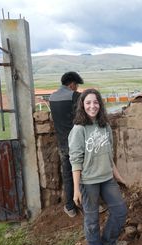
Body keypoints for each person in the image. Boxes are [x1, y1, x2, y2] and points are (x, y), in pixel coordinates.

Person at [69, 88, 128, 245]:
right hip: (88, 182)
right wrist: (76, 189)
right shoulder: (79, 129)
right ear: (82, 105)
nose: (92, 106)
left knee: (120, 210)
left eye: (95, 102)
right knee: (92, 219)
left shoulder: (105, 126)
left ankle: (108, 242)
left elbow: (109, 156)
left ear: (100, 105)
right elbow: (76, 160)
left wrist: (118, 177)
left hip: (107, 178)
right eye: (88, 103)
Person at [50, 71, 83, 218]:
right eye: (75, 85)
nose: (76, 88)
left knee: (68, 176)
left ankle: (70, 207)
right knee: (85, 174)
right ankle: (90, 203)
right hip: (77, 143)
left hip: (63, 144)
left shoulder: (52, 97)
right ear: (72, 84)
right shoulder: (75, 96)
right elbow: (83, 117)